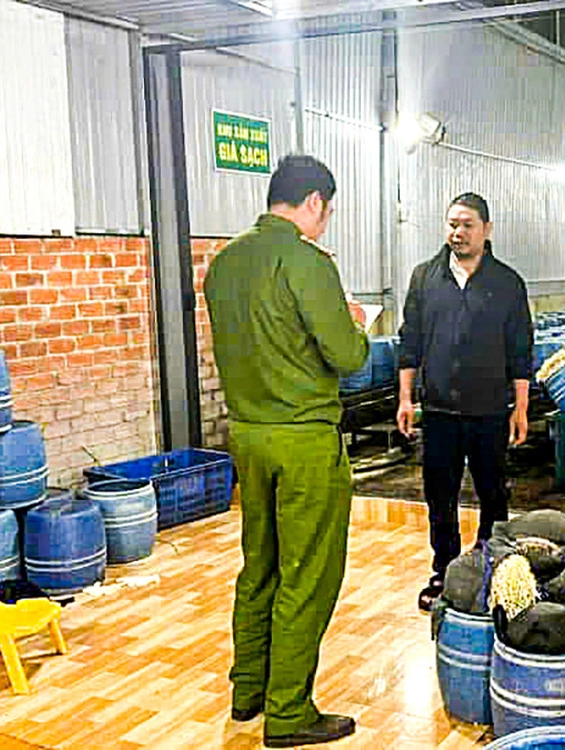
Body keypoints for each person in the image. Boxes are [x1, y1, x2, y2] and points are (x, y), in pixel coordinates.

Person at [204, 155, 369, 748]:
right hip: (303, 439)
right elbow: (348, 358)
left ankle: (247, 690)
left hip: (246, 435)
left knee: (260, 567)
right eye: (327, 211)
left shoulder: (222, 265)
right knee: (308, 573)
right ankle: (289, 711)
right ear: (316, 202)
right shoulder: (306, 262)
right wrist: (356, 324)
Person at [395, 193, 534, 612]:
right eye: (452, 224)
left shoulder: (507, 282)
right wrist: (405, 399)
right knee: (440, 495)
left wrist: (521, 407)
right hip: (438, 412)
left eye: (467, 224)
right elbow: (410, 343)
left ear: (487, 229)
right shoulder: (425, 277)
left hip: (490, 410)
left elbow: (520, 350)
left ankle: (492, 566)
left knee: (493, 494)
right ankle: (445, 570)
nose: (458, 232)